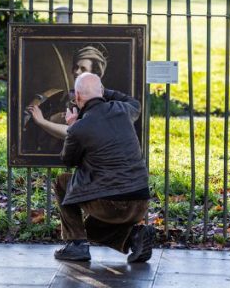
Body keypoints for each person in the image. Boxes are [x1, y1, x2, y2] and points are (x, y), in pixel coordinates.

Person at [53, 72, 155, 263]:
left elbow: (68, 160)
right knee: (90, 229)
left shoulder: (79, 128)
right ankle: (135, 237)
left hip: (109, 204)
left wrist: (73, 126)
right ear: (101, 92)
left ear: (77, 98)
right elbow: (135, 103)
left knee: (62, 182)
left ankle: (76, 245)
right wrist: (101, 90)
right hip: (140, 201)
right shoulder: (123, 109)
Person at [25, 44, 108, 142]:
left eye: (83, 69)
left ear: (94, 73)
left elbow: (76, 133)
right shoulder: (72, 95)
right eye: (76, 67)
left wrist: (42, 121)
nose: (77, 72)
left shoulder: (97, 99)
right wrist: (51, 118)